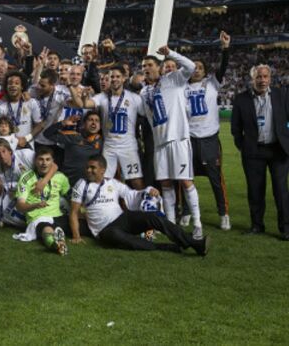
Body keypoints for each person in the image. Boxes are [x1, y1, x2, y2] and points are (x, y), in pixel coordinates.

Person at [69, 155, 209, 256]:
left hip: (122, 220)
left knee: (154, 217)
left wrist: (148, 191)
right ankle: (163, 247)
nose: (88, 170)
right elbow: (74, 212)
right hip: (104, 230)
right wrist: (76, 236)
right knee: (119, 237)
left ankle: (193, 243)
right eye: (87, 167)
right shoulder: (81, 185)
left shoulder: (112, 183)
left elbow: (132, 194)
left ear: (102, 170)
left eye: (92, 168)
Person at [140, 46, 204, 239]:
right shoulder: (144, 92)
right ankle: (170, 225)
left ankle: (197, 223)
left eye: (150, 65)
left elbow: (191, 66)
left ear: (159, 67)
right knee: (166, 184)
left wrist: (170, 54)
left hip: (178, 139)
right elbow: (146, 115)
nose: (146, 68)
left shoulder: (173, 79)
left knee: (185, 181)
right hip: (160, 144)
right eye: (143, 66)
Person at [231, 64, 289, 240]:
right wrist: (245, 146)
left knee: (281, 190)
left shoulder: (282, 95)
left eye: (265, 77)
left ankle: (286, 229)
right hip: (253, 152)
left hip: (278, 150)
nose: (262, 80)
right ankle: (257, 225)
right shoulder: (241, 99)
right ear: (252, 79)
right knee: (255, 190)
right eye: (259, 77)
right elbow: (236, 128)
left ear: (270, 78)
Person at [71, 65, 145, 189]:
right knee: (103, 180)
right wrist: (82, 96)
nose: (114, 79)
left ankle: (143, 206)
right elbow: (83, 104)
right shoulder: (102, 97)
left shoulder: (135, 98)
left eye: (117, 77)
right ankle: (106, 207)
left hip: (128, 146)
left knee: (136, 181)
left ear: (124, 78)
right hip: (109, 147)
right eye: (112, 77)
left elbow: (146, 114)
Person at [185, 31, 231, 230]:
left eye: (200, 67)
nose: (196, 70)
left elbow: (223, 67)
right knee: (186, 179)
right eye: (193, 67)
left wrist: (225, 49)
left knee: (215, 180)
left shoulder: (212, 83)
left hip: (210, 139)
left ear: (205, 70)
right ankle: (187, 211)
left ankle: (223, 214)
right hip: (189, 139)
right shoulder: (181, 87)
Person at [14, 147, 70, 255]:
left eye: (48, 159)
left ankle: (59, 239)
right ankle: (56, 244)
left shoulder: (60, 177)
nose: (44, 163)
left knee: (80, 225)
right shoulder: (26, 178)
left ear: (53, 162)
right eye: (41, 159)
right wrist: (35, 205)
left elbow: (70, 196)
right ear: (35, 161)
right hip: (38, 217)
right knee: (46, 228)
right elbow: (20, 206)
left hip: (58, 216)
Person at [0, 70, 43, 148]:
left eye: (17, 83)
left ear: (22, 86)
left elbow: (39, 125)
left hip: (27, 146)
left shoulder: (31, 102)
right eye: (10, 83)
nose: (13, 85)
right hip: (7, 147)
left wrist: (26, 138)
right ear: (6, 87)